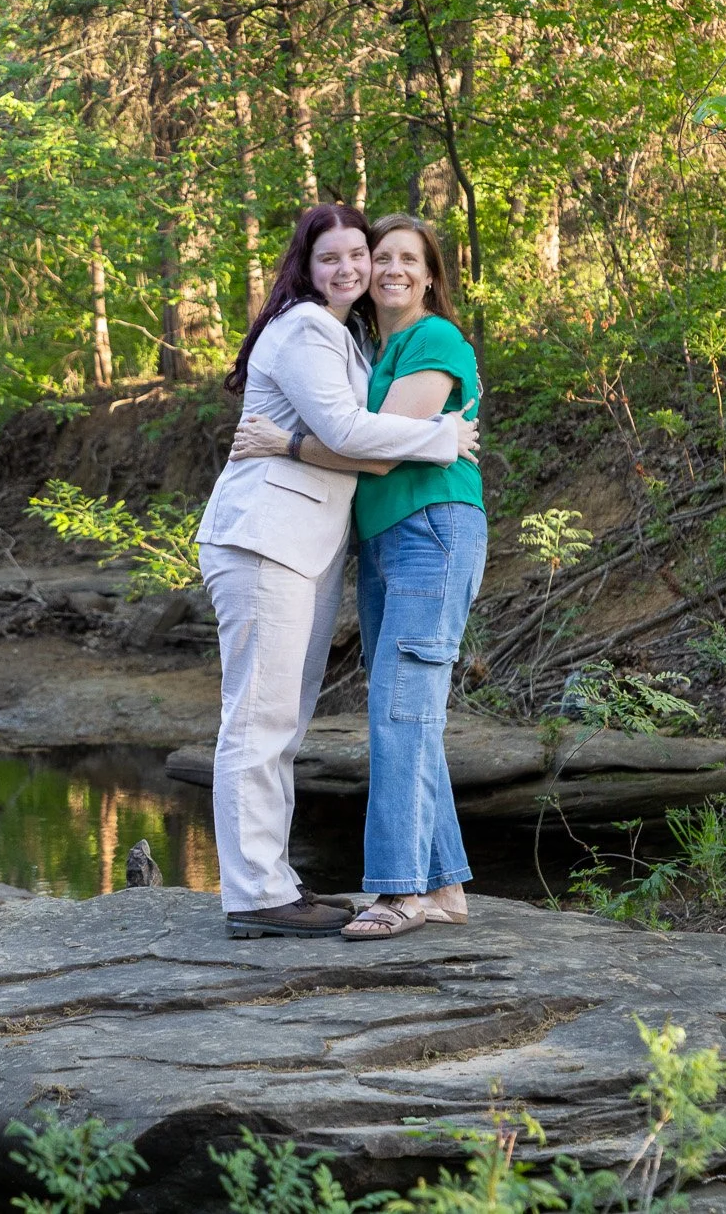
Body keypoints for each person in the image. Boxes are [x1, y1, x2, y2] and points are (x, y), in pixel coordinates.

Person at [199, 204, 479, 939]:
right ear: (305, 264)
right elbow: (355, 434)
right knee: (262, 719)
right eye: (336, 257)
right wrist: (441, 435)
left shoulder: (363, 342)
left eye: (367, 253)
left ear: (428, 276)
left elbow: (360, 445)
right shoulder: (306, 328)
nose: (356, 268)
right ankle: (259, 891)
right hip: (269, 538)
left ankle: (312, 883)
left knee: (287, 719)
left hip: (313, 546)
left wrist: (289, 442)